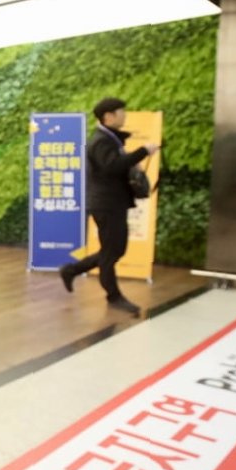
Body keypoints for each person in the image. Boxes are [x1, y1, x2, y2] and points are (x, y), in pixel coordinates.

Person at [59, 97, 159, 315]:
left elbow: (115, 165)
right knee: (111, 253)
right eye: (121, 112)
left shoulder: (110, 139)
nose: (125, 115)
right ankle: (113, 296)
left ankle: (72, 270)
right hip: (106, 204)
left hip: (114, 202)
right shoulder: (101, 141)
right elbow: (112, 166)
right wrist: (142, 151)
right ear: (108, 117)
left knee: (113, 250)